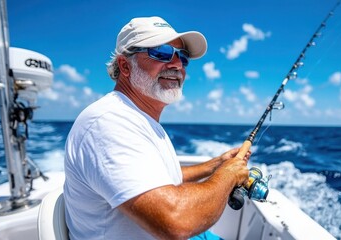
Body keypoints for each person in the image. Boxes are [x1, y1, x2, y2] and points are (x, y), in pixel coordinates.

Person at [63, 16, 250, 240]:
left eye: (183, 57)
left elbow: (157, 177)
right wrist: (227, 175)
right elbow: (176, 221)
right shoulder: (109, 123)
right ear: (125, 66)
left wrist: (216, 165)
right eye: (161, 52)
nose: (177, 65)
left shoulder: (138, 118)